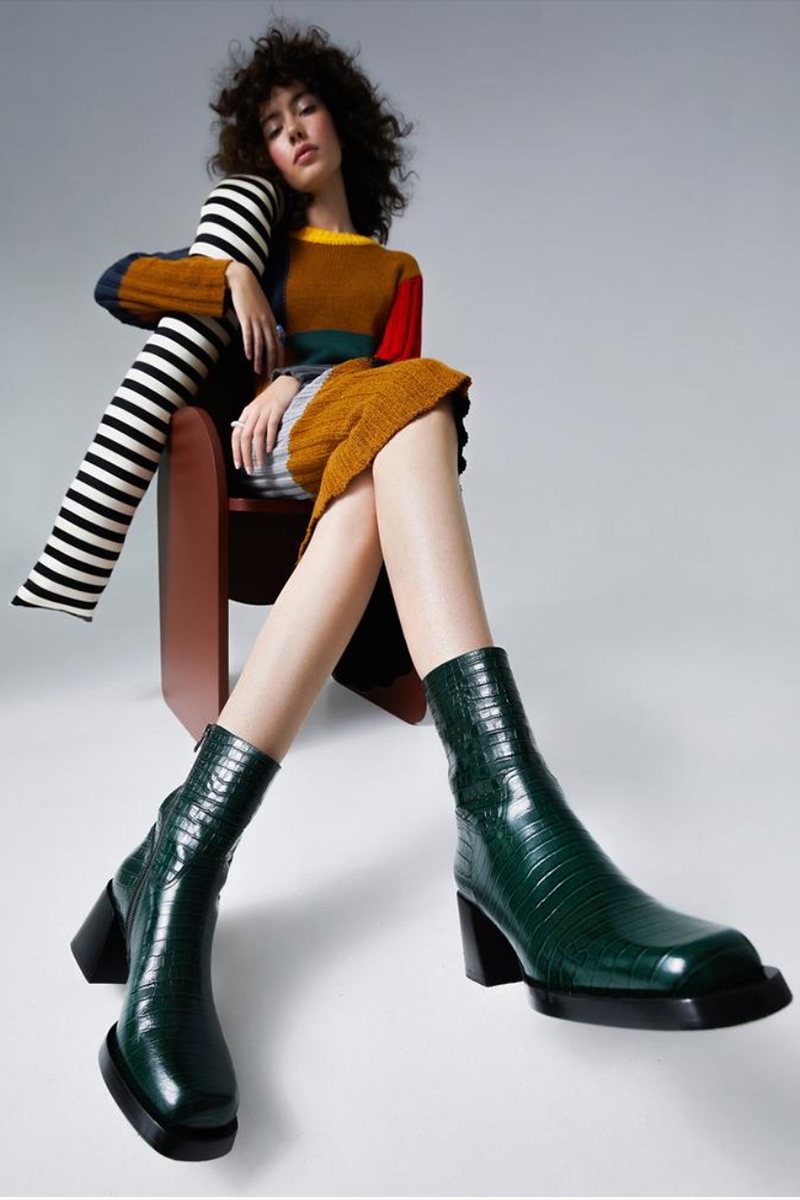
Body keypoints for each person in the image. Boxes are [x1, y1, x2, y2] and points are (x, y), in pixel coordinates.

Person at [66, 19, 790, 1163]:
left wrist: (342, 377)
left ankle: (178, 857)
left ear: (343, 121)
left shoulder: (392, 270)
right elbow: (120, 284)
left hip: (358, 428)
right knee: (419, 398)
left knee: (407, 414)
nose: (291, 132)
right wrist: (236, 283)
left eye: (304, 109)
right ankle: (504, 821)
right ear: (255, 150)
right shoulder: (259, 242)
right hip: (264, 443)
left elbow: (395, 376)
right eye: (269, 124)